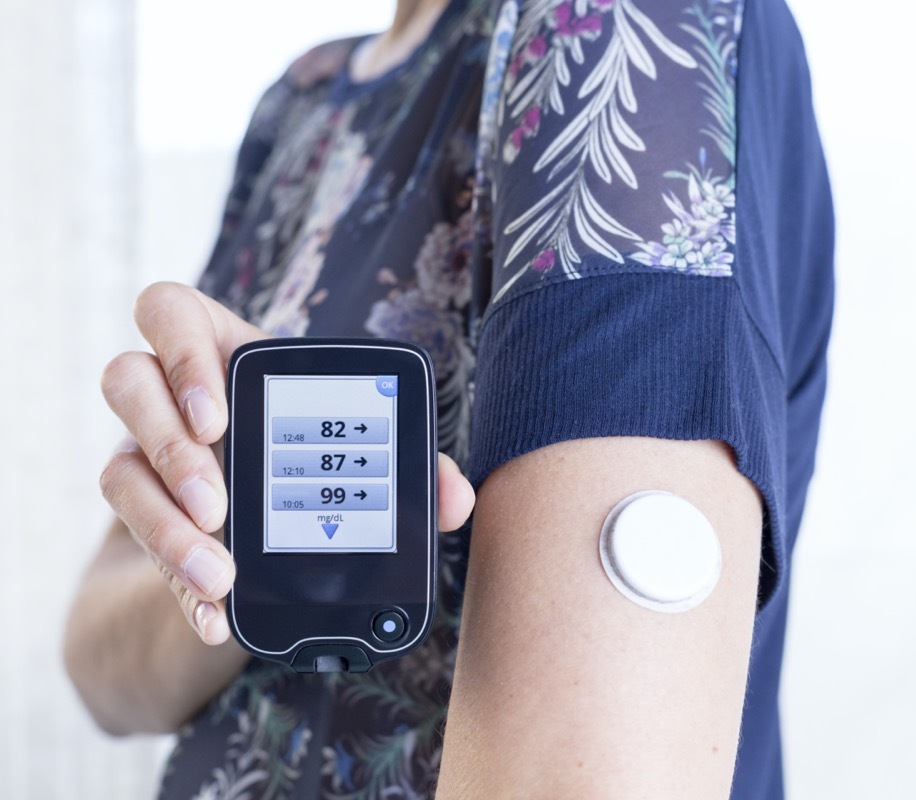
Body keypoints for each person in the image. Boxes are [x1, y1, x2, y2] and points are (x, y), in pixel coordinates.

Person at [63, 0, 834, 795]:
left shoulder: (626, 26)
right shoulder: (303, 103)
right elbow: (100, 667)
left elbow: (585, 779)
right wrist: (265, 551)